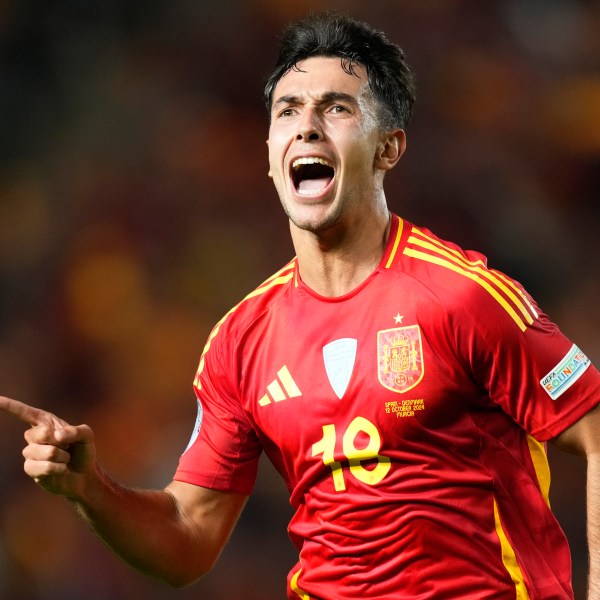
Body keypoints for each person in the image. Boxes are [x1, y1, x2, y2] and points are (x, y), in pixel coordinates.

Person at [2, 12, 600, 600]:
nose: (307, 127)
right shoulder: (241, 339)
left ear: (388, 148)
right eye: (287, 110)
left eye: (336, 108)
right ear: (269, 151)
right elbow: (187, 539)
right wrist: (90, 489)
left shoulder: (464, 296)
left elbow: (596, 433)